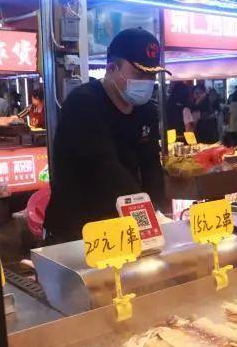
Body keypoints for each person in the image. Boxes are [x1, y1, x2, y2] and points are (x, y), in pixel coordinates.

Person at [44, 28, 167, 244]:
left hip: (124, 226)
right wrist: (145, 214)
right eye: (139, 74)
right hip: (78, 230)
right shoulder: (84, 103)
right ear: (111, 69)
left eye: (152, 76)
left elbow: (151, 166)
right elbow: (104, 168)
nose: (147, 82)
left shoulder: (146, 110)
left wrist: (157, 211)